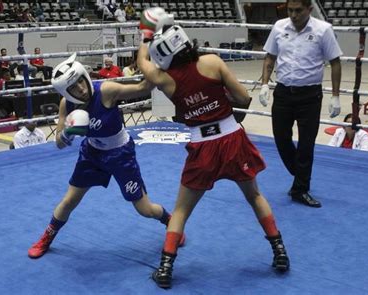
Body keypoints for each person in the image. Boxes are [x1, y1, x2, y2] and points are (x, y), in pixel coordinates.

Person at [137, 15, 289, 289]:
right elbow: (243, 98)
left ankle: (166, 267)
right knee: (254, 196)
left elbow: (142, 64)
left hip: (202, 146)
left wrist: (146, 33)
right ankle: (279, 251)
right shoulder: (212, 62)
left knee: (181, 210)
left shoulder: (166, 79)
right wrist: (219, 100)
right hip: (232, 138)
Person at [27, 53, 184, 259]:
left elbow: (142, 88)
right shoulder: (67, 105)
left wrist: (158, 63)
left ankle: (170, 222)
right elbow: (58, 143)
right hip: (91, 154)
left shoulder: (106, 91)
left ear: (85, 76)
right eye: (73, 88)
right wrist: (68, 132)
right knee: (68, 201)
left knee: (144, 209)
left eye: (81, 82)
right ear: (66, 92)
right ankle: (47, 237)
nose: (81, 89)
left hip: (120, 154)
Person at [259, 0, 342, 208]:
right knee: (280, 139)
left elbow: (335, 62)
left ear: (309, 9)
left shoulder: (323, 30)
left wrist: (335, 96)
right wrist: (264, 84)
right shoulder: (279, 27)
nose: (294, 15)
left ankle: (300, 188)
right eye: (290, 10)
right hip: (283, 92)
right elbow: (270, 57)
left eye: (298, 10)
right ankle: (301, 175)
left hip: (310, 96)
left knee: (306, 144)